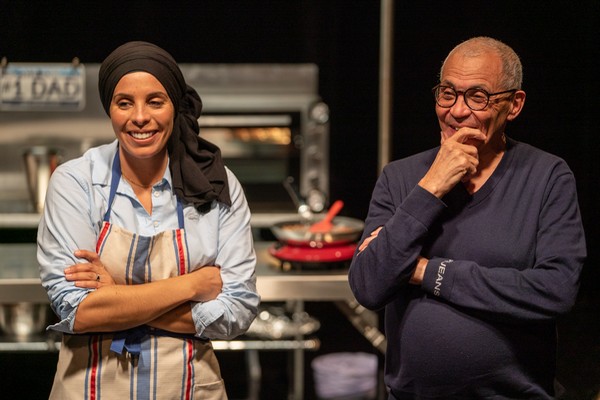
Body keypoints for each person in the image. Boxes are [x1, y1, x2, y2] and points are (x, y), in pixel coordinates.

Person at [348, 37, 586, 399]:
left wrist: (426, 271)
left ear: (514, 104)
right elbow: (368, 286)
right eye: (448, 94)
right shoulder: (401, 178)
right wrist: (431, 188)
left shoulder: (547, 176)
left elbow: (555, 290)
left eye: (478, 97)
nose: (457, 111)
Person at [38, 41, 259, 399]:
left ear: (174, 106)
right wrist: (192, 285)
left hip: (188, 389)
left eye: (155, 101)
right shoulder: (76, 181)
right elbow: (75, 308)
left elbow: (237, 310)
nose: (140, 117)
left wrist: (115, 297)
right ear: (109, 109)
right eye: (124, 103)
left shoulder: (216, 184)